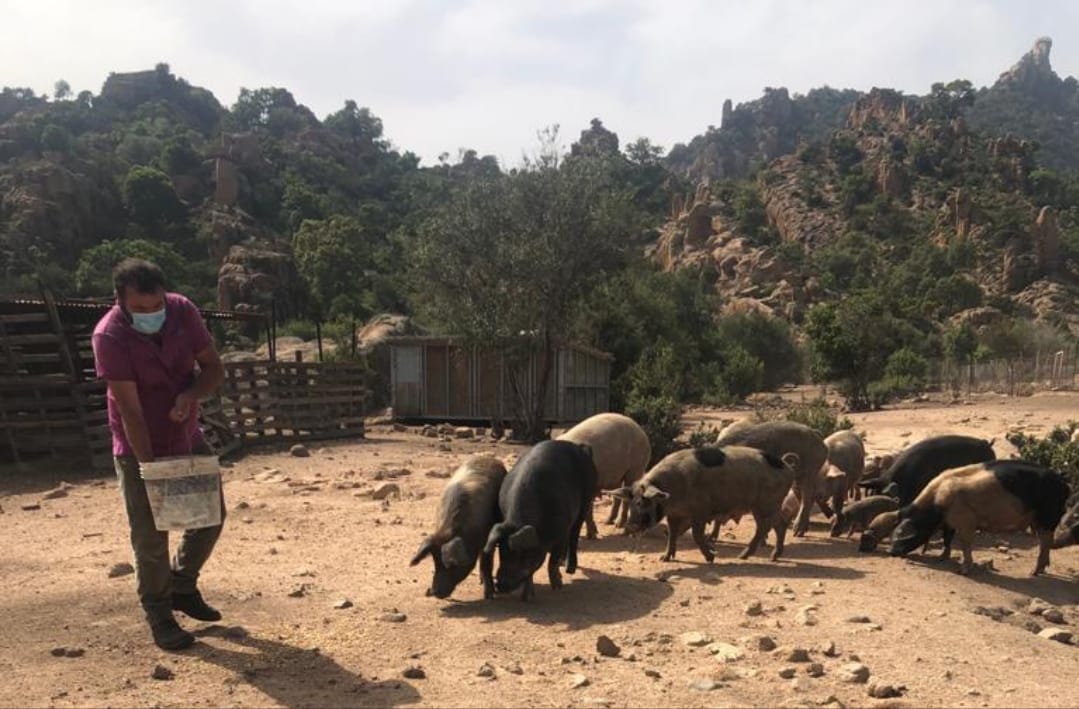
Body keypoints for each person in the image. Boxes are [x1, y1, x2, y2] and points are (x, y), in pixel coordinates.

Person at [91, 258, 226, 651]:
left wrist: (190, 395)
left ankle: (182, 584)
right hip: (139, 445)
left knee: (210, 515)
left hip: (184, 433)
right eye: (141, 310)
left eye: (157, 307)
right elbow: (130, 412)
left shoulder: (183, 311)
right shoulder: (109, 337)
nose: (152, 315)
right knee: (151, 534)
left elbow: (213, 369)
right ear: (120, 302)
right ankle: (159, 612)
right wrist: (152, 472)